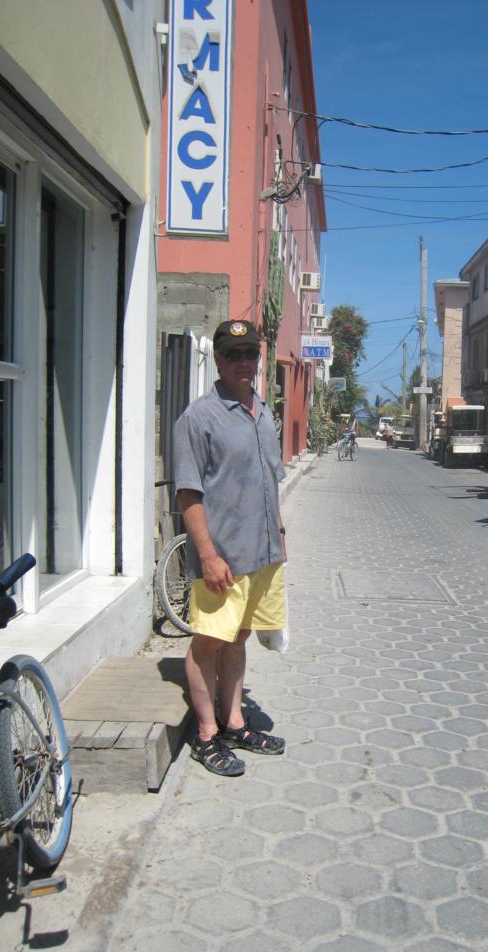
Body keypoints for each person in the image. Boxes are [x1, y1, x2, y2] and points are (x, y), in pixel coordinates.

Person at [173, 319, 287, 777]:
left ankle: (235, 721)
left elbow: (268, 480)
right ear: (217, 360)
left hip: (262, 553)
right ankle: (205, 735)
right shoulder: (199, 417)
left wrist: (278, 532)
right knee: (208, 642)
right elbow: (188, 493)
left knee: (239, 637)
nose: (243, 362)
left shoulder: (261, 410)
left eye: (250, 353)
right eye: (233, 354)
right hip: (223, 557)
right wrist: (208, 555)